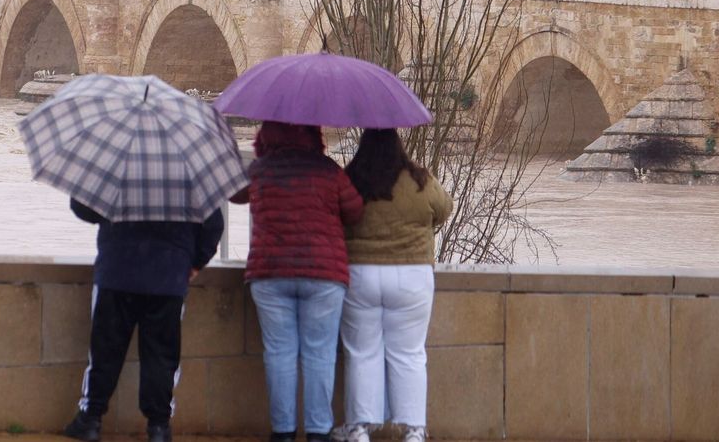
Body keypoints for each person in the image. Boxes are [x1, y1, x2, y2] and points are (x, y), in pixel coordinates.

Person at [234, 121, 364, 442]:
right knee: (320, 354)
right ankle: (318, 432)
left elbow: (233, 194)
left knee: (279, 353)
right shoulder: (329, 171)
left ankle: (283, 432)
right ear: (313, 134)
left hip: (271, 272)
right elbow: (355, 211)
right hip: (323, 275)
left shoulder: (261, 170)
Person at [61, 199, 225, 442]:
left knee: (105, 350)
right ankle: (158, 427)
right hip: (168, 276)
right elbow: (213, 225)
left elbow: (83, 208)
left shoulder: (118, 164)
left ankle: (91, 418)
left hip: (117, 272)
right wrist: (195, 262)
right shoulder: (188, 172)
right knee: (161, 355)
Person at [338, 129, 452, 442]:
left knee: (362, 352)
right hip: (412, 274)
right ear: (399, 146)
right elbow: (444, 209)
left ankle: (360, 428)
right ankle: (414, 429)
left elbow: (338, 214)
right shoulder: (420, 180)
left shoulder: (351, 179)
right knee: (410, 353)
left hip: (360, 273)